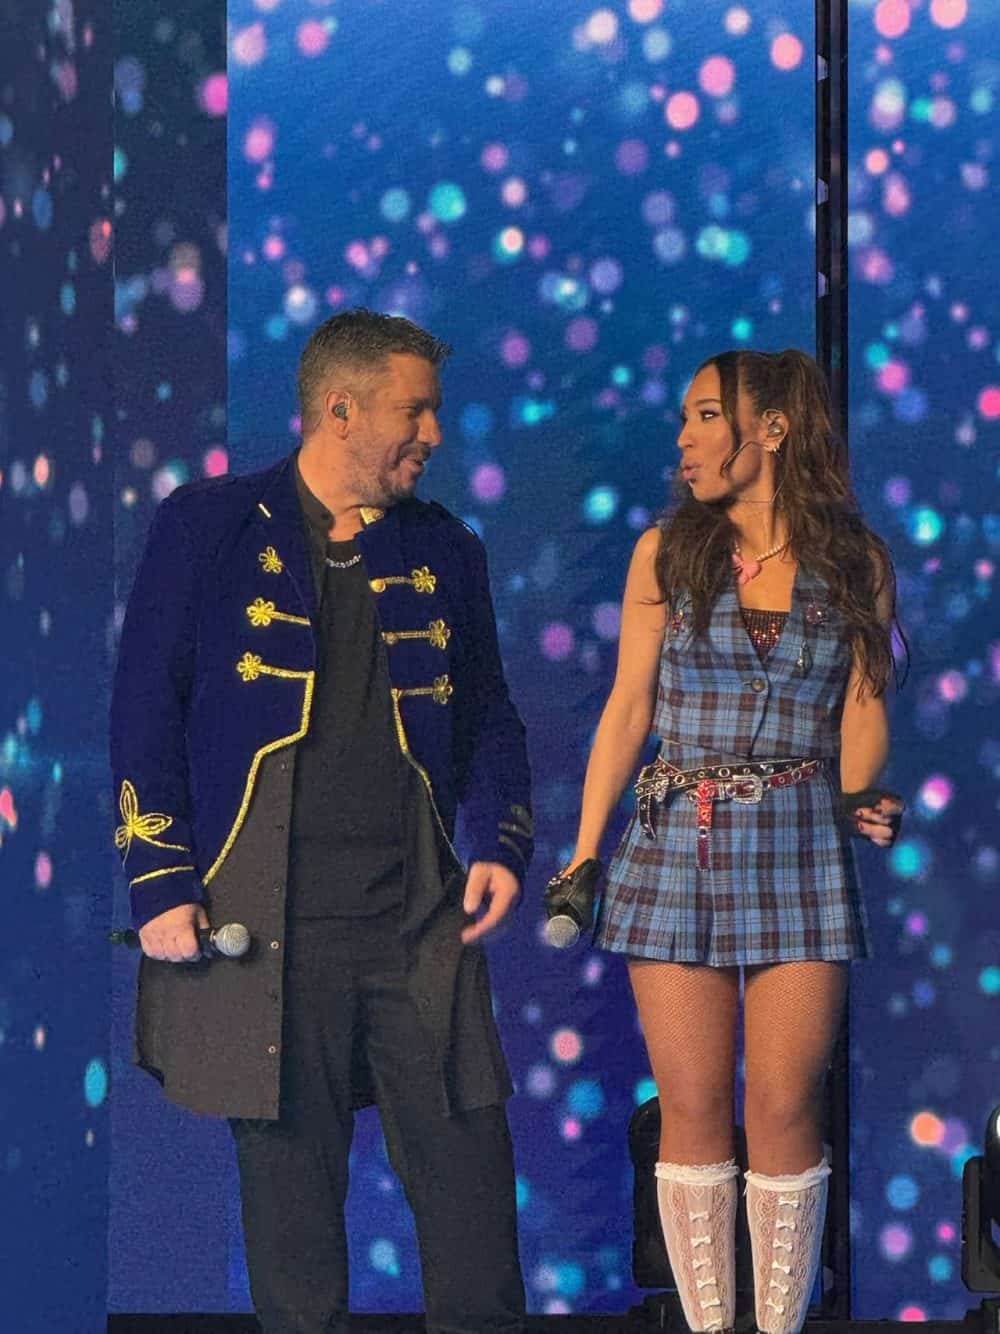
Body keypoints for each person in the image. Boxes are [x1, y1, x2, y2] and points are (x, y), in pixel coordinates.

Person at [110, 308, 532, 1334]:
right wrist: (161, 880)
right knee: (291, 1218)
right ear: (340, 410)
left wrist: (500, 844)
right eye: (414, 411)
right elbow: (144, 708)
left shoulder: (446, 547)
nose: (434, 433)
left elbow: (489, 714)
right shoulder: (208, 525)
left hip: (419, 917)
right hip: (267, 925)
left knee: (471, 1195)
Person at [559, 349, 904, 1334]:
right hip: (679, 838)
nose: (683, 437)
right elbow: (628, 707)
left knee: (786, 1101)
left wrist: (863, 795)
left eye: (705, 415)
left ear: (772, 428)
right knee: (694, 1102)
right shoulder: (667, 553)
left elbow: (863, 705)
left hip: (801, 837)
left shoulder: (856, 560)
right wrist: (584, 850)